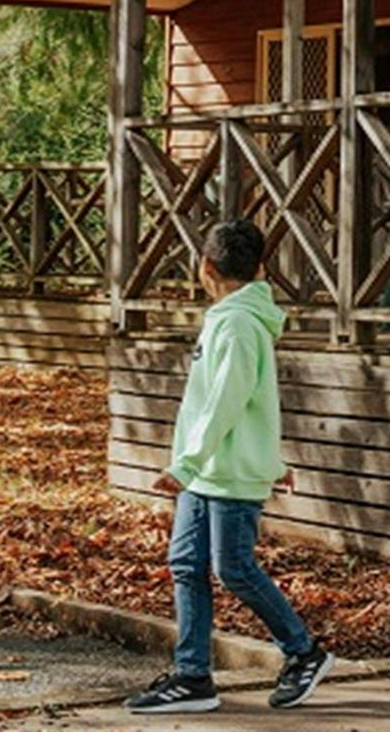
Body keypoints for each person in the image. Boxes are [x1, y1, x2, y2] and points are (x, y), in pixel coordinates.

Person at [128, 219, 334, 715]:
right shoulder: (228, 317)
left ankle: (304, 652)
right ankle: (193, 676)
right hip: (209, 470)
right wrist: (269, 458)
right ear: (260, 268)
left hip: (218, 469)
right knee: (185, 564)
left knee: (234, 567)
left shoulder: (240, 323)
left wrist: (186, 463)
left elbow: (229, 399)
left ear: (206, 267)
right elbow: (250, 401)